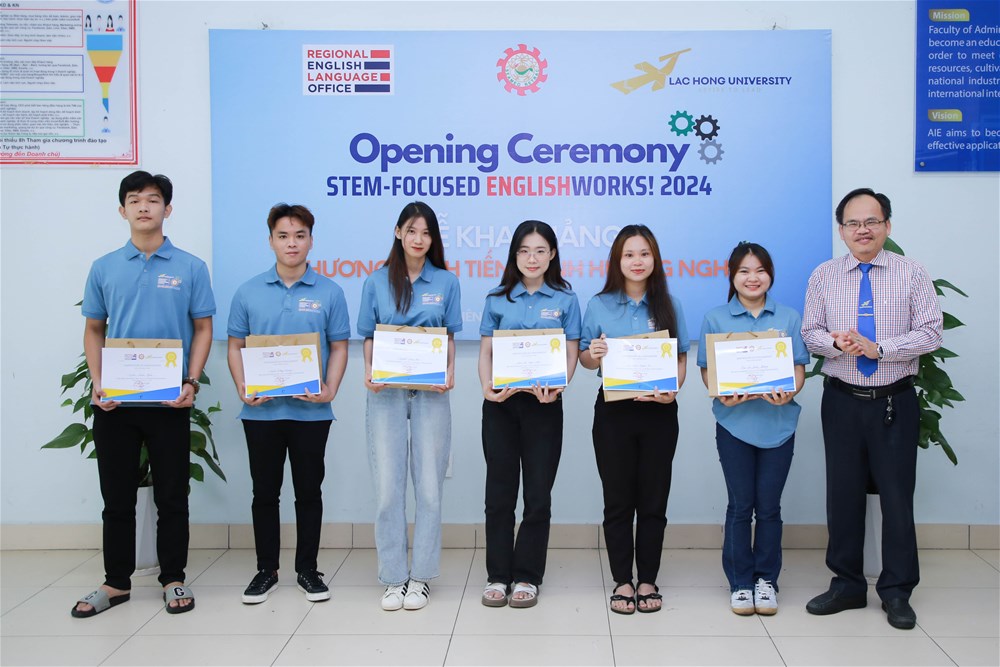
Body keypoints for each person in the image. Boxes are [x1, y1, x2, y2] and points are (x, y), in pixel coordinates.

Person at [74, 171, 215, 617]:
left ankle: (173, 578)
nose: (143, 207)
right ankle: (115, 583)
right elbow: (94, 329)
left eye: (152, 199)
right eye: (134, 200)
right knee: (116, 497)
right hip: (115, 402)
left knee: (172, 496)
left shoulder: (190, 267)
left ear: (167, 209)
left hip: (169, 400)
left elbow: (203, 328)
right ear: (123, 210)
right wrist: (98, 383)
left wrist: (191, 382)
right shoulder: (104, 267)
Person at [802, 188, 942, 630]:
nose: (862, 230)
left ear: (887, 225)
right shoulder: (824, 276)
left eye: (871, 222)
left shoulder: (911, 273)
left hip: (894, 402)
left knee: (897, 498)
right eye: (853, 223)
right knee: (842, 495)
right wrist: (835, 343)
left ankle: (897, 591)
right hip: (842, 400)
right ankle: (846, 585)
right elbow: (810, 332)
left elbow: (931, 332)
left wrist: (879, 348)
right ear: (841, 230)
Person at [227, 203, 350, 605]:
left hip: (311, 413)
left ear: (311, 240)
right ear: (271, 241)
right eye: (283, 236)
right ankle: (266, 569)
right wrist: (243, 386)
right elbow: (235, 345)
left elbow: (339, 346)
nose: (291, 243)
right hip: (260, 412)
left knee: (308, 492)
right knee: (264, 492)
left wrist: (330, 389)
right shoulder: (248, 291)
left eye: (299, 236)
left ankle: (307, 570)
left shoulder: (330, 291)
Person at [357, 201, 461, 611]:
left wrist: (449, 371)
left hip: (431, 394)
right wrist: (368, 371)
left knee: (430, 489)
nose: (419, 239)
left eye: (427, 233)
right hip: (386, 394)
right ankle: (394, 577)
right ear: (398, 232)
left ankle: (421, 576)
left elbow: (448, 336)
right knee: (388, 489)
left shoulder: (446, 282)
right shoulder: (376, 281)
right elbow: (369, 336)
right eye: (412, 231)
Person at [579, 225, 688, 614]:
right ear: (617, 260)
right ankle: (623, 580)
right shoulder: (599, 305)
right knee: (618, 500)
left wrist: (673, 389)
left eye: (644, 254)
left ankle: (648, 580)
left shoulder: (669, 304)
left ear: (654, 259)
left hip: (659, 412)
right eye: (629, 254)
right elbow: (585, 358)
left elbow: (680, 357)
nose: (637, 261)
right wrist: (593, 352)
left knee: (654, 500)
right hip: (614, 412)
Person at [697, 242, 809, 616]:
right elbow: (707, 370)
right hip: (734, 425)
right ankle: (741, 583)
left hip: (779, 425)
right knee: (741, 506)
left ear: (770, 275)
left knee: (770, 508)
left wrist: (789, 391)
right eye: (744, 271)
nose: (752, 278)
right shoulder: (716, 318)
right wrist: (721, 393)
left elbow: (798, 367)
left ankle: (766, 581)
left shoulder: (788, 317)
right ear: (732, 276)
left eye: (760, 270)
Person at [478, 220, 582, 609]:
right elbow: (486, 352)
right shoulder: (497, 298)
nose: (532, 258)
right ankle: (497, 575)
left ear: (552, 254)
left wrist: (558, 386)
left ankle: (527, 576)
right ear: (514, 255)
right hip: (501, 406)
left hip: (544, 406)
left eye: (540, 250)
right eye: (524, 251)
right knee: (499, 494)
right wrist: (487, 388)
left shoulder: (566, 300)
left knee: (538, 495)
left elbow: (571, 352)